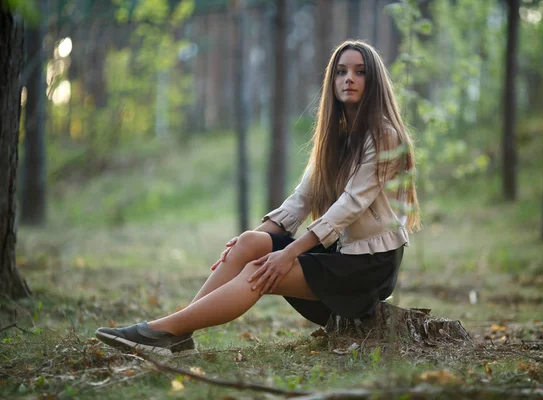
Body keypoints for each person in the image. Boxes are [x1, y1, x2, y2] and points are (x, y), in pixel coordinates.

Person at [95, 40, 420, 356]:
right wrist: (251, 239)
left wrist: (288, 254)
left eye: (360, 72)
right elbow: (301, 199)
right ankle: (176, 333)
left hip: (368, 266)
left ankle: (162, 330)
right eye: (340, 71)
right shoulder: (334, 136)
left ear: (374, 81)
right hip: (339, 251)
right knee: (250, 244)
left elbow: (350, 205)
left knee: (258, 272)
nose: (349, 78)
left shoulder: (385, 135)